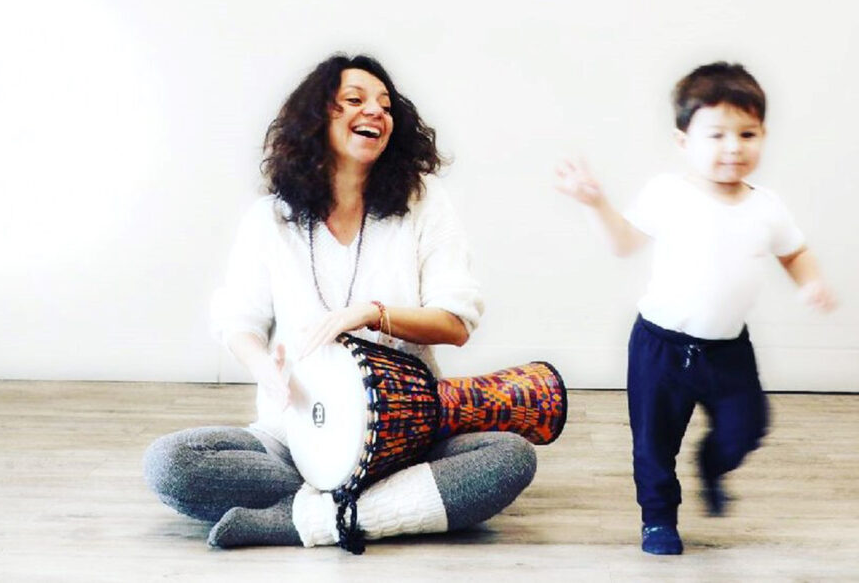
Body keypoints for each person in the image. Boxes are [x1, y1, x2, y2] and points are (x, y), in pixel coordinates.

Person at [144, 54, 537, 551]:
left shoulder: (425, 202)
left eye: (386, 105)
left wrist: (375, 314)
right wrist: (267, 368)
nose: (375, 112)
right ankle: (378, 510)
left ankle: (301, 520)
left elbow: (456, 321)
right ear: (316, 119)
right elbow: (237, 319)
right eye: (354, 101)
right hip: (299, 437)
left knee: (510, 457)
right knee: (171, 463)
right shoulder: (270, 219)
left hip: (406, 438)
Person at [555, 62, 836, 556]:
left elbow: (794, 251)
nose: (733, 147)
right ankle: (659, 520)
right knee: (654, 444)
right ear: (684, 140)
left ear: (763, 135)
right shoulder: (668, 194)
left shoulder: (766, 206)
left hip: (727, 350)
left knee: (748, 426)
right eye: (717, 134)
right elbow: (624, 243)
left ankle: (712, 462)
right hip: (660, 346)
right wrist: (595, 204)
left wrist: (810, 283)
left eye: (747, 133)